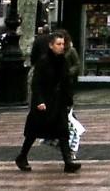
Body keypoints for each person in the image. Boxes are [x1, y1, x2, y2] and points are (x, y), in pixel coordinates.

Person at [16, 32, 80, 173]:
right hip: (44, 102)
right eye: (58, 44)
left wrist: (69, 100)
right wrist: (39, 101)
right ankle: (22, 156)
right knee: (33, 132)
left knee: (63, 132)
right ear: (51, 45)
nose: (61, 47)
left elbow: (66, 82)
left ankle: (68, 162)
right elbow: (36, 83)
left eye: (63, 44)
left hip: (58, 102)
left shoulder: (63, 61)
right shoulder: (43, 61)